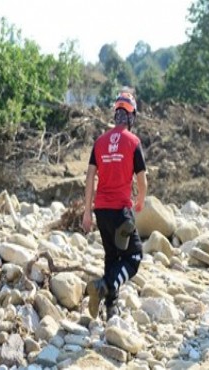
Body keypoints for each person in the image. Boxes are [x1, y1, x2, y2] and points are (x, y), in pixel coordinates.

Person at [82, 91, 147, 320]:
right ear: (130, 117)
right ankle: (105, 286)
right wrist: (140, 201)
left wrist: (87, 213)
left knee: (112, 257)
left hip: (101, 210)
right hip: (121, 210)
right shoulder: (133, 142)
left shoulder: (99, 142)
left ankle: (111, 309)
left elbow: (90, 177)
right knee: (134, 257)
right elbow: (142, 179)